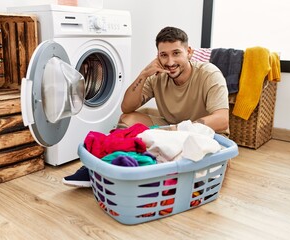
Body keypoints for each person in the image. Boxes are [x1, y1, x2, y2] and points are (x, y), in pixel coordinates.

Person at [62, 26, 229, 187]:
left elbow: (222, 120)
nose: (170, 62)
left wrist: (180, 129)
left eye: (176, 53)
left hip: (203, 134)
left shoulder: (209, 74)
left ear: (189, 52)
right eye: (164, 55)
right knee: (128, 119)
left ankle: (137, 171)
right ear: (158, 56)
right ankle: (105, 165)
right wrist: (144, 74)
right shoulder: (157, 75)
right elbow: (126, 107)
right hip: (172, 127)